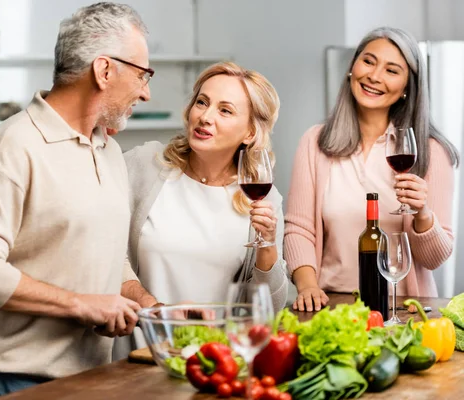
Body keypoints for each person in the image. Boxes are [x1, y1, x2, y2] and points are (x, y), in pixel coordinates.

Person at [0, 3, 160, 398]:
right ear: (104, 70)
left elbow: (107, 253)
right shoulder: (13, 146)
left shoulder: (107, 149)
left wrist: (145, 304)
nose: (145, 92)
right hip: (14, 382)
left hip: (92, 377)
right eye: (142, 75)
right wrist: (82, 305)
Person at [285, 27, 459, 312]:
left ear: (407, 87)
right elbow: (299, 229)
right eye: (368, 61)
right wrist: (307, 286)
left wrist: (423, 214)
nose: (375, 76)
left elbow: (434, 259)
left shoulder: (430, 151)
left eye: (392, 70)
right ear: (352, 67)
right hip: (331, 304)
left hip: (402, 309)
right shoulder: (315, 142)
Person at [125, 61, 288, 312]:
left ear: (250, 133)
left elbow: (269, 309)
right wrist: (154, 308)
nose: (205, 117)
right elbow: (107, 256)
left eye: (225, 111)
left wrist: (267, 245)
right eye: (202, 102)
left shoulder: (265, 201)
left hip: (216, 348)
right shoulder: (144, 164)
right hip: (143, 345)